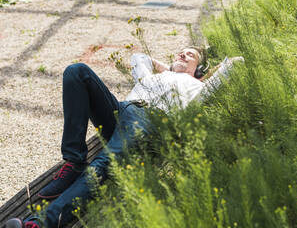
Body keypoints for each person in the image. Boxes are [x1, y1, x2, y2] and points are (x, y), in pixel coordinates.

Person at [6, 46, 242, 228]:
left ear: (199, 69)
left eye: (190, 55)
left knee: (104, 163)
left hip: (150, 122)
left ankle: (40, 222)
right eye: (182, 51)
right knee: (77, 72)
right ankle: (75, 161)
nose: (183, 53)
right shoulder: (150, 77)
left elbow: (235, 65)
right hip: (122, 110)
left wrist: (202, 75)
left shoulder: (198, 87)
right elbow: (139, 57)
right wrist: (168, 69)